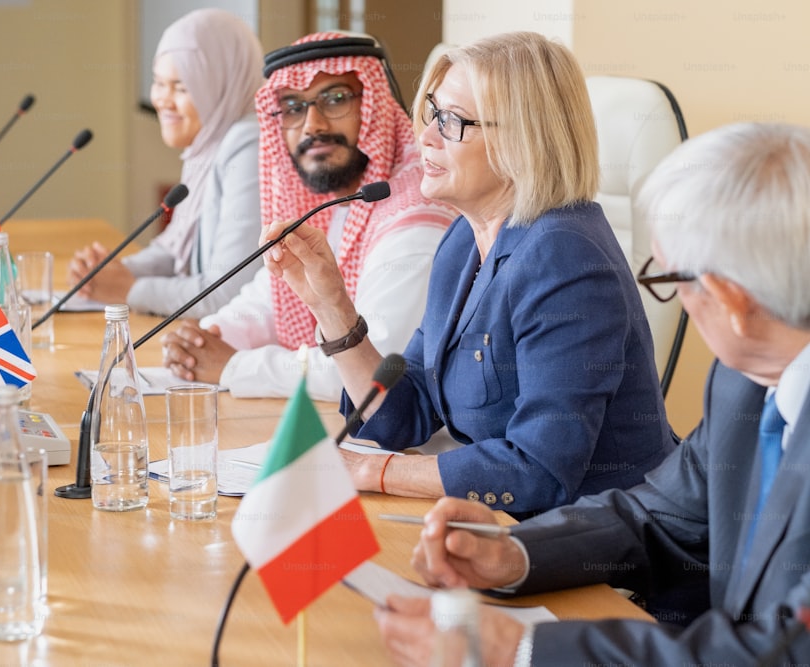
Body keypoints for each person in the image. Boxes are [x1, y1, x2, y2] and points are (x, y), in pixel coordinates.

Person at [375, 121, 810, 666]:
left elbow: (786, 652)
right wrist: (515, 554)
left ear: (730, 300)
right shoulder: (744, 381)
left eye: (668, 278)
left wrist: (522, 648)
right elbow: (657, 516)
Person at [262, 32, 675, 511]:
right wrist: (330, 304)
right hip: (506, 527)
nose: (427, 136)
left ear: (525, 139)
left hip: (602, 549)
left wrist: (375, 470)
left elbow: (540, 470)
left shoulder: (565, 259)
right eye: (434, 113)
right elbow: (406, 412)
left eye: (453, 121)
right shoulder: (464, 240)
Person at [159, 32, 456, 401]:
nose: (312, 125)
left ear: (375, 105)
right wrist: (206, 338)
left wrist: (233, 367)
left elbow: (372, 367)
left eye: (335, 100)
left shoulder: (416, 211)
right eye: (294, 108)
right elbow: (273, 300)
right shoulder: (330, 202)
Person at [66, 9, 263, 318]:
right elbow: (175, 253)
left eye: (182, 88)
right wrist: (105, 273)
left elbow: (226, 293)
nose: (163, 100)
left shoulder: (249, 144)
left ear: (222, 85)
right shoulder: (207, 145)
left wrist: (126, 289)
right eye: (159, 83)